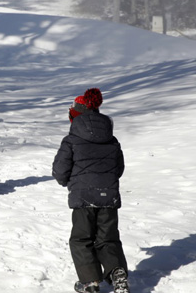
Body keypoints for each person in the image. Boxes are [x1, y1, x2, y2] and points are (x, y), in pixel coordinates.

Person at [52, 88, 130, 293]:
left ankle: (90, 282)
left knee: (81, 239)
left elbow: (59, 170)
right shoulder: (111, 138)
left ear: (75, 114)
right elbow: (119, 168)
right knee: (108, 238)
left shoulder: (71, 139)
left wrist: (68, 182)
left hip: (83, 198)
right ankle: (117, 272)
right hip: (109, 197)